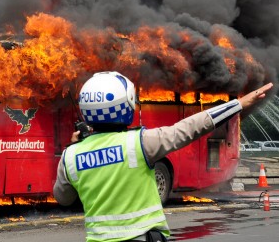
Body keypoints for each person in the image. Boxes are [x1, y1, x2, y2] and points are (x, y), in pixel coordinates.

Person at [53, 71, 273, 242]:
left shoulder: (71, 156)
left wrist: (76, 147)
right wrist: (238, 104)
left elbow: (63, 197)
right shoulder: (139, 143)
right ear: (126, 105)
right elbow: (189, 128)